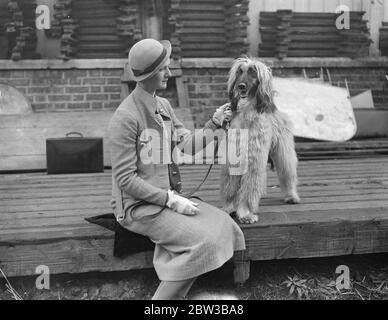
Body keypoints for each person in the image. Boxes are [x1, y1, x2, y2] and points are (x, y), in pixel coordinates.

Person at [108, 38, 245, 300]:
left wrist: (214, 123)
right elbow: (125, 179)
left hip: (168, 199)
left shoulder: (163, 106)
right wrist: (169, 200)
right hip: (139, 207)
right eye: (163, 69)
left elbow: (188, 146)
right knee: (205, 241)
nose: (169, 73)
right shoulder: (126, 118)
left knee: (225, 225)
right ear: (147, 74)